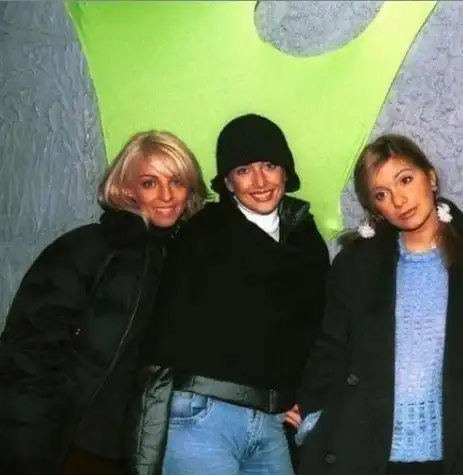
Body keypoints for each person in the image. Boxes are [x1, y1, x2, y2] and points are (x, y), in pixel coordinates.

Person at [0, 131, 209, 475]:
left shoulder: (183, 262)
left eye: (176, 181)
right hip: (73, 446)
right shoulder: (86, 249)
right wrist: (28, 452)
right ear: (126, 189)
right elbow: (28, 354)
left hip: (142, 453)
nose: (166, 195)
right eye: (149, 182)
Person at [131, 113, 330, 475]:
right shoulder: (201, 232)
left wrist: (304, 394)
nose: (260, 181)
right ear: (227, 182)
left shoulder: (306, 239)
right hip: (203, 414)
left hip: (270, 420)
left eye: (269, 165)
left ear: (286, 172)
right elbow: (162, 327)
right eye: (243, 170)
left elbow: (315, 328)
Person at [296, 134, 463, 475]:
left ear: (430, 177)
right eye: (381, 194)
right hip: (367, 452)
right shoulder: (356, 265)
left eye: (405, 180)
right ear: (376, 208)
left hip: (458, 454)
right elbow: (330, 349)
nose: (399, 200)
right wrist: (314, 419)